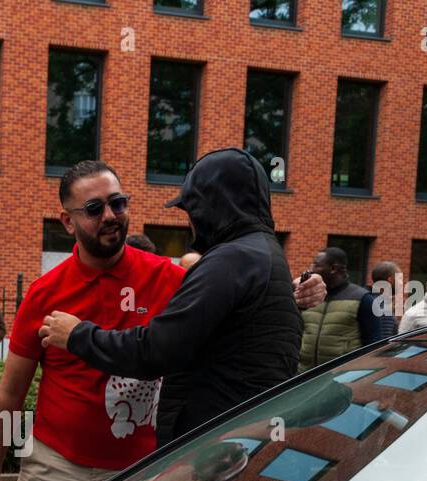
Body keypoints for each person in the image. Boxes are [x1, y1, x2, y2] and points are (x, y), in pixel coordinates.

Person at [38, 148, 323, 454]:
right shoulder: (261, 254)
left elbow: (156, 350)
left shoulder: (233, 259)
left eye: (192, 211)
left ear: (210, 207)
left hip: (216, 449)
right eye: (94, 209)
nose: (190, 224)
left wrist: (78, 335)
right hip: (242, 440)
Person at [0, 160, 186, 481]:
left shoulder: (169, 279)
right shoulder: (45, 294)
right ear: (67, 222)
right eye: (93, 209)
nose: (110, 215)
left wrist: (298, 292)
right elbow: (9, 395)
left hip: (139, 473)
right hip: (54, 471)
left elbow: (234, 303)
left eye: (117, 203)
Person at [297, 246, 380, 372]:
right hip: (304, 377)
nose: (311, 270)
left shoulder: (363, 299)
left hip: (342, 379)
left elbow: (373, 345)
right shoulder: (309, 297)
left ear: (333, 269)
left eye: (316, 265)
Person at [370, 260, 403, 339]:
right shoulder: (383, 309)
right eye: (400, 278)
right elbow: (384, 344)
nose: (402, 283)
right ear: (390, 280)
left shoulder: (370, 298)